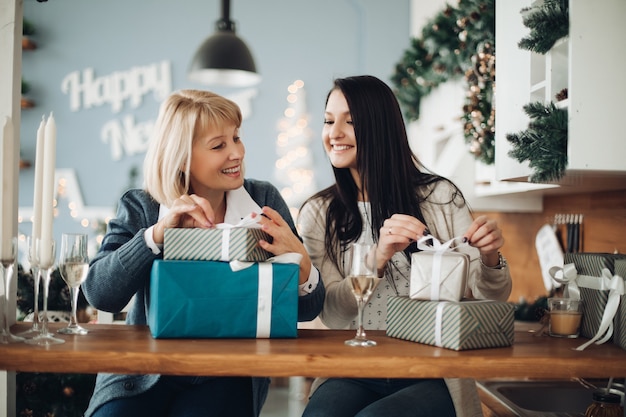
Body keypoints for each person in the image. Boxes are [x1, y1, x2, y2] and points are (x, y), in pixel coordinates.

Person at [82, 89, 325, 417]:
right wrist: (155, 236)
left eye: (236, 138)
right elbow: (99, 294)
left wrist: (302, 261)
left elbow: (307, 310)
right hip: (141, 376)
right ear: (182, 156)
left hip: (227, 375)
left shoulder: (263, 199)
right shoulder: (142, 206)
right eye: (218, 145)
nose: (236, 153)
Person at [298, 75, 512, 417]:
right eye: (328, 120)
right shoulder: (318, 214)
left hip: (433, 372)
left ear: (380, 128)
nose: (333, 133)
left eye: (350, 121)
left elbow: (490, 297)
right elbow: (333, 314)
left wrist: (489, 256)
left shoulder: (440, 198)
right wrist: (378, 256)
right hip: (352, 370)